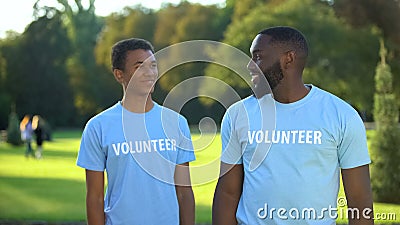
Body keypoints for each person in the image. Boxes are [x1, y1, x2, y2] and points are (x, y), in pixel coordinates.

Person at [212, 26, 373, 225]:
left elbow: (359, 200)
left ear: (288, 58)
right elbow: (227, 193)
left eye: (258, 57)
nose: (250, 66)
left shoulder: (341, 115)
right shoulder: (238, 114)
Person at [76, 38, 195, 225]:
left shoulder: (177, 123)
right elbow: (95, 198)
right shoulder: (98, 127)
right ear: (119, 74)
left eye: (153, 66)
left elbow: (184, 192)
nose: (149, 73)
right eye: (139, 67)